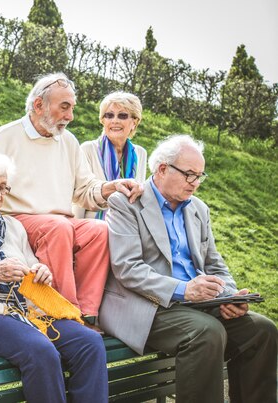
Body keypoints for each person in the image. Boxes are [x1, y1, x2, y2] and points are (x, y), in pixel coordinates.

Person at [99, 134, 277, 403]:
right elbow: (128, 268)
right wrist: (184, 289)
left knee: (262, 330)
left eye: (200, 176)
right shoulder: (126, 203)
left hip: (197, 304)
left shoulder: (198, 209)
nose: (195, 183)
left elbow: (214, 263)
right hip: (149, 305)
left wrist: (229, 296)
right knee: (206, 332)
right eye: (189, 175)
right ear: (162, 169)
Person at [0, 72, 143, 324]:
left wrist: (112, 187)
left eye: (72, 108)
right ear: (38, 105)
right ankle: (64, 313)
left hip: (60, 222)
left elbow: (85, 190)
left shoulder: (68, 141)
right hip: (17, 222)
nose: (70, 116)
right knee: (58, 227)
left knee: (98, 230)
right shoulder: (6, 136)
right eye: (64, 108)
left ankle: (88, 314)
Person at [0, 151, 108, 403]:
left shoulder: (13, 226)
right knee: (41, 350)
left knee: (89, 342)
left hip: (27, 313)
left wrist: (40, 272)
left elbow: (31, 264)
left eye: (3, 187)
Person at [72, 91, 147, 219]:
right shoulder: (87, 149)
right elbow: (78, 198)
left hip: (128, 225)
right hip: (94, 227)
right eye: (109, 115)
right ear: (103, 120)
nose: (115, 121)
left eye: (122, 116)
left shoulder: (140, 153)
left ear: (134, 122)